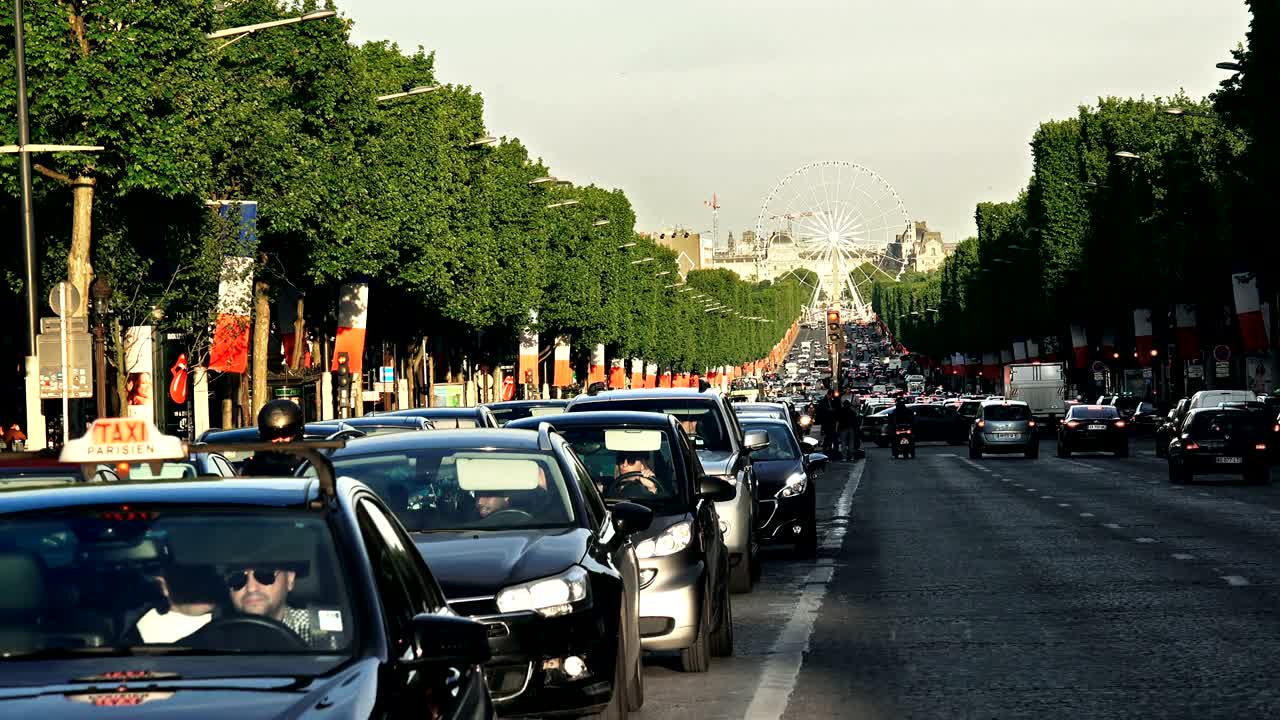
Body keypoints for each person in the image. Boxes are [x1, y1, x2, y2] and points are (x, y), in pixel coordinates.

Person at [225, 565, 313, 644]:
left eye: (265, 573)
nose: (251, 588)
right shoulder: (214, 636)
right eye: (236, 577)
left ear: (289, 579)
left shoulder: (317, 630)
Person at [239, 399, 304, 476]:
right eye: (272, 434)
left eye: (286, 433)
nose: (280, 440)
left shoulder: (309, 465)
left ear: (297, 433)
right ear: (264, 436)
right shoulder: (253, 469)